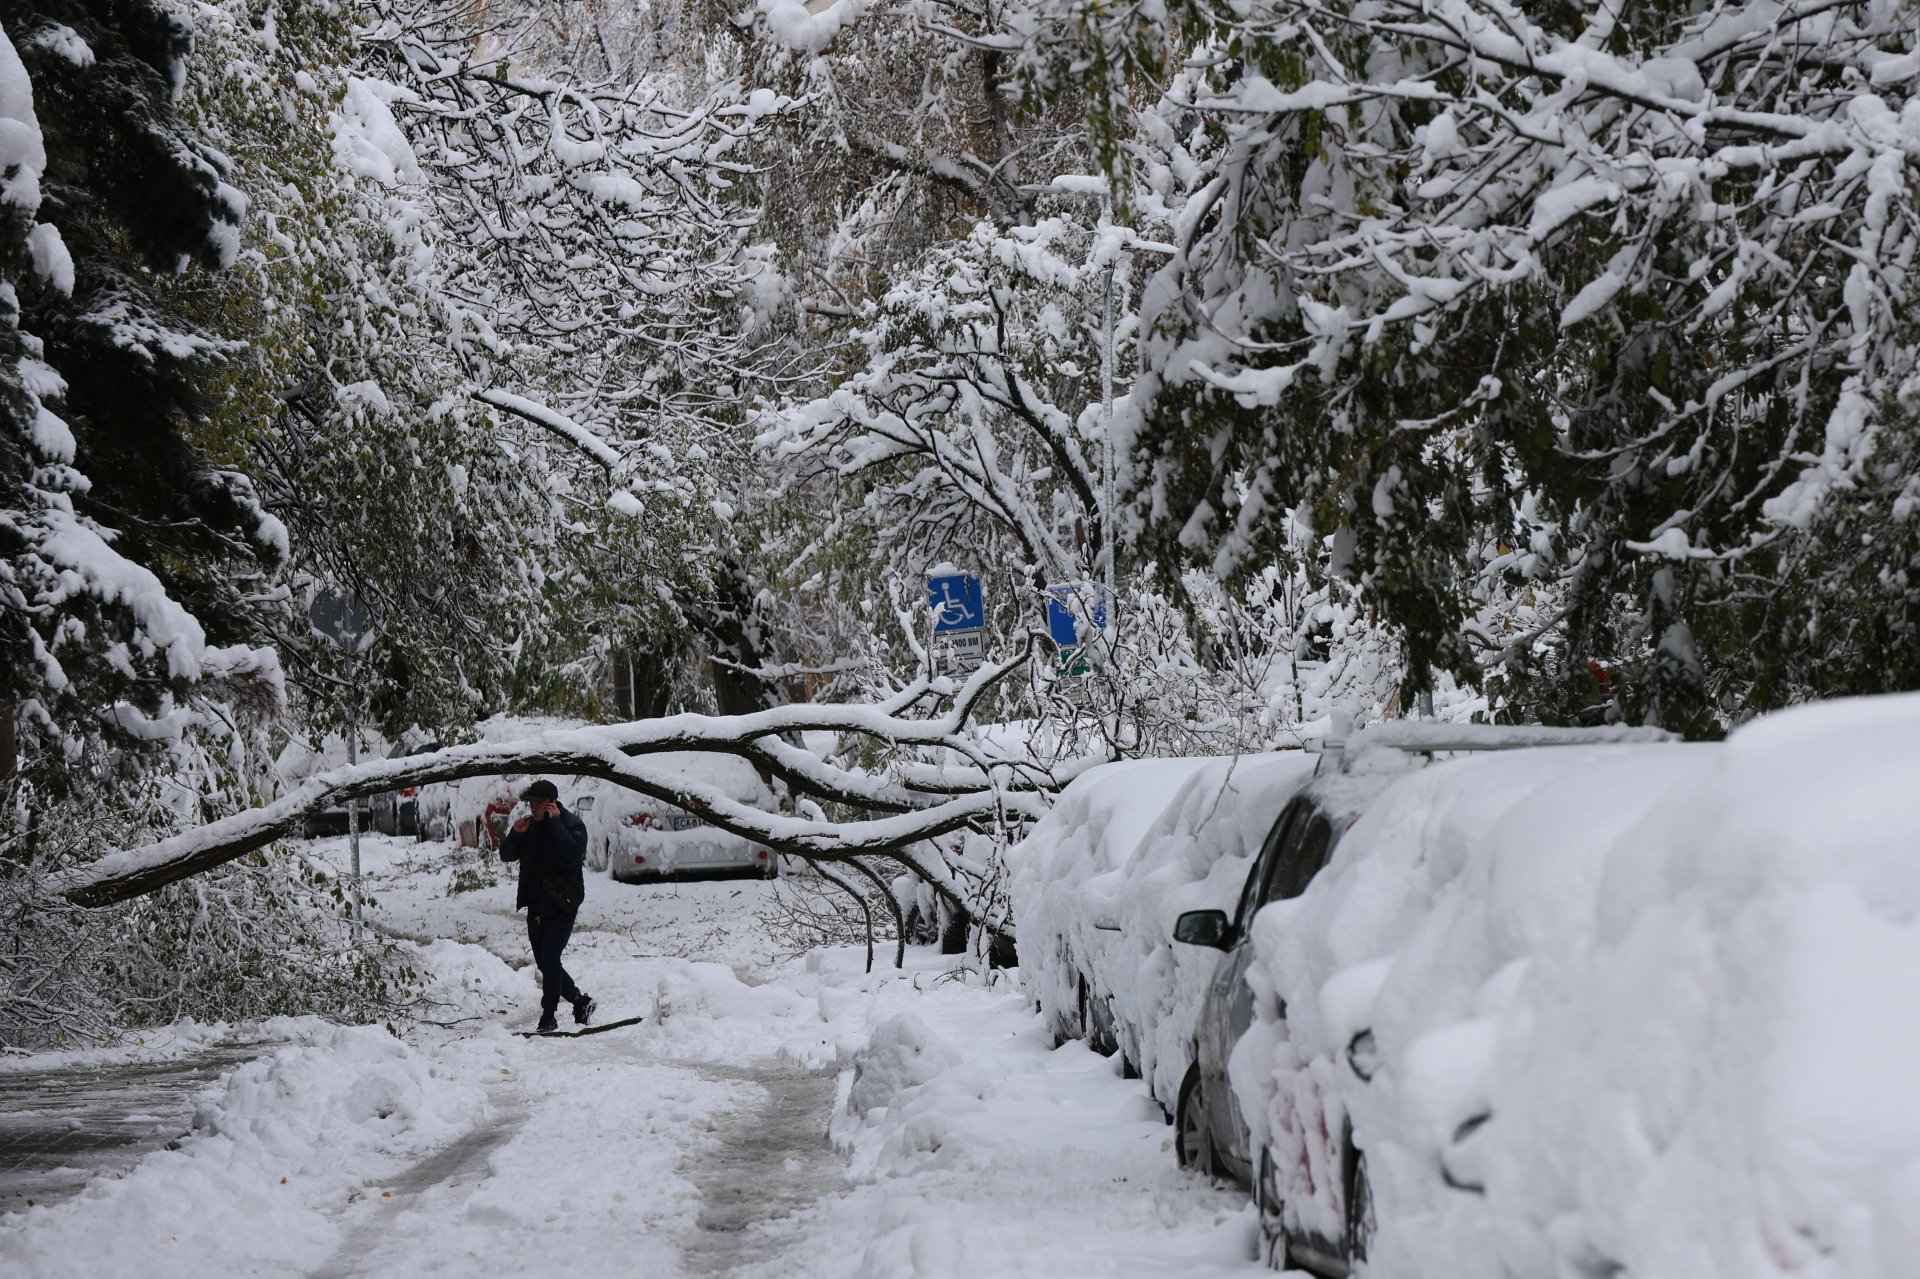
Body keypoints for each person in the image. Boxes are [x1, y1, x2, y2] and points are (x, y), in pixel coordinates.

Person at [499, 779, 595, 1032]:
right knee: (545, 962)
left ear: (552, 803)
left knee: (551, 958)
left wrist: (554, 824)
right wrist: (515, 835)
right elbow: (507, 856)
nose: (533, 807)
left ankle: (548, 1016)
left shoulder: (572, 825)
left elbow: (571, 854)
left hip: (562, 904)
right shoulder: (530, 826)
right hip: (536, 905)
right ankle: (579, 1000)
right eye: (531, 803)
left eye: (538, 803)